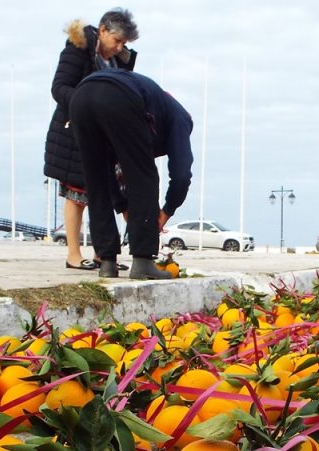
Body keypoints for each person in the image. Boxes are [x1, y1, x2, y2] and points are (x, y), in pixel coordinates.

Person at [70, 68, 193, 280]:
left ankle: (106, 262)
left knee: (96, 179)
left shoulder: (157, 106)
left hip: (80, 97)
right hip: (119, 95)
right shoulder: (181, 119)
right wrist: (166, 212)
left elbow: (108, 175)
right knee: (144, 176)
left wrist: (123, 205)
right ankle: (143, 261)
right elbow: (181, 175)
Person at [44, 8, 139, 271]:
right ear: (103, 30)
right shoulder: (78, 47)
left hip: (105, 136)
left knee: (106, 194)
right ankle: (73, 254)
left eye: (124, 43)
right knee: (77, 194)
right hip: (74, 131)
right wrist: (86, 106)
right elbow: (59, 86)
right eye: (117, 41)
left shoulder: (118, 60)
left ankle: (103, 254)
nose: (119, 47)